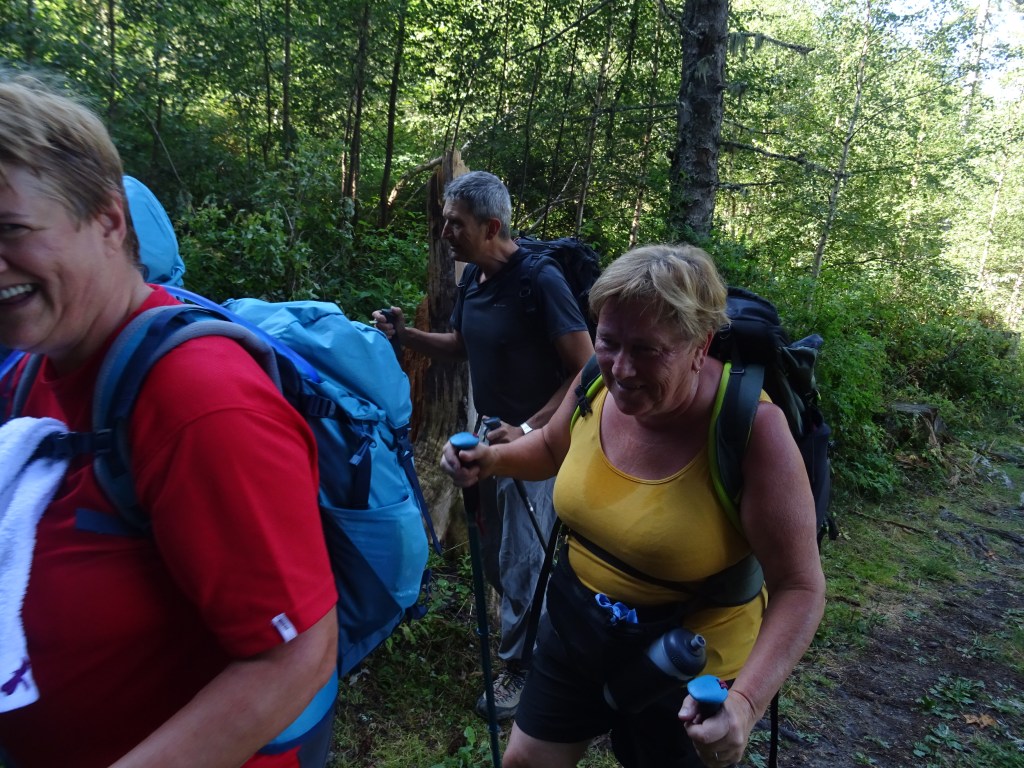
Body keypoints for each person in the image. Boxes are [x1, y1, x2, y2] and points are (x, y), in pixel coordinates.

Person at [0, 72, 338, 767]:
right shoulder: (37, 367)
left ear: (109, 219)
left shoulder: (200, 400)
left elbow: (298, 654)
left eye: (12, 229)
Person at [439, 244, 826, 767]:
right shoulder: (595, 381)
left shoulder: (752, 429)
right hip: (578, 624)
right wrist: (493, 459)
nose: (621, 369)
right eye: (608, 341)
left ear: (699, 345)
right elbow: (552, 447)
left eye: (647, 350)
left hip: (687, 664)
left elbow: (800, 588)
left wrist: (745, 704)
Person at [373, 170, 594, 720]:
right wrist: (405, 336)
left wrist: (531, 429)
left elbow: (587, 367)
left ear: (491, 226)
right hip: (488, 433)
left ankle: (524, 671)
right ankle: (550, 634)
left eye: (456, 223)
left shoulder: (540, 280)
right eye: (444, 221)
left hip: (538, 442)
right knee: (495, 555)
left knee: (521, 561)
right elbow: (461, 344)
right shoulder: (474, 278)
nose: (444, 232)